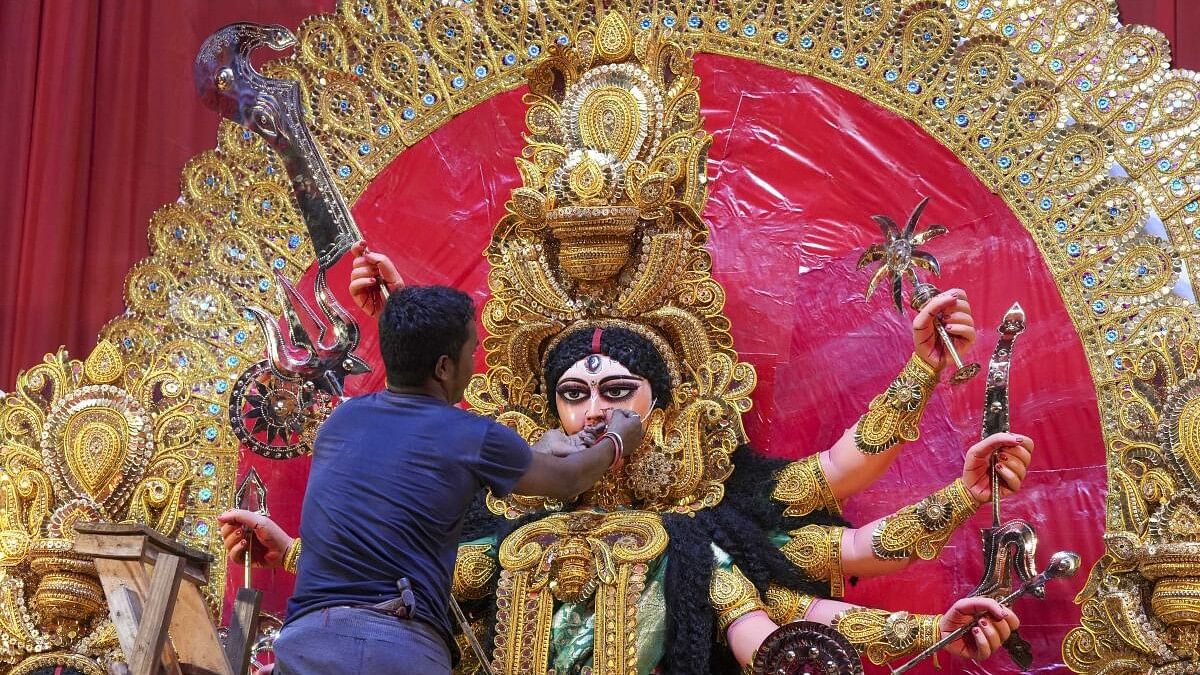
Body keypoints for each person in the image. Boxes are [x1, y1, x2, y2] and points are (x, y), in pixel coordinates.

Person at [227, 247, 1031, 674]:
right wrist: (287, 546)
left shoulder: (693, 539)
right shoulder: (507, 530)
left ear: (666, 403)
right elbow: (402, 559)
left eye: (618, 387)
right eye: (572, 395)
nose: (594, 408)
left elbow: (806, 581)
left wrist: (937, 616)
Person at [219, 243, 645, 675]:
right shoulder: (470, 437)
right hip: (393, 646)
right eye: (469, 351)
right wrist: (616, 439)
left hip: (306, 641)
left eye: (614, 390)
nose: (473, 363)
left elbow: (428, 450)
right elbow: (567, 479)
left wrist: (398, 308)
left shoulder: (342, 422)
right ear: (444, 366)